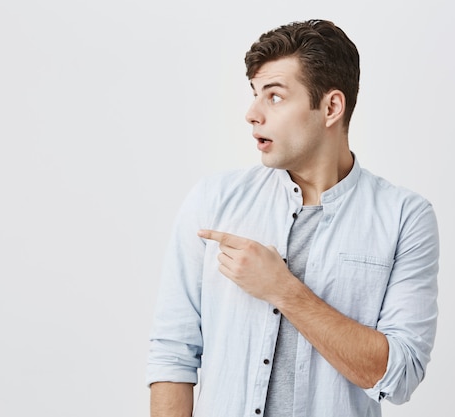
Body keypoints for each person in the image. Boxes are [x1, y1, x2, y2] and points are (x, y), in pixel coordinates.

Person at [147, 19, 439, 417]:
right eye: (254, 94)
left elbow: (399, 376)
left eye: (275, 96)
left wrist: (282, 289)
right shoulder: (213, 201)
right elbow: (172, 353)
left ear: (331, 107)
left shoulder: (405, 218)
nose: (252, 113)